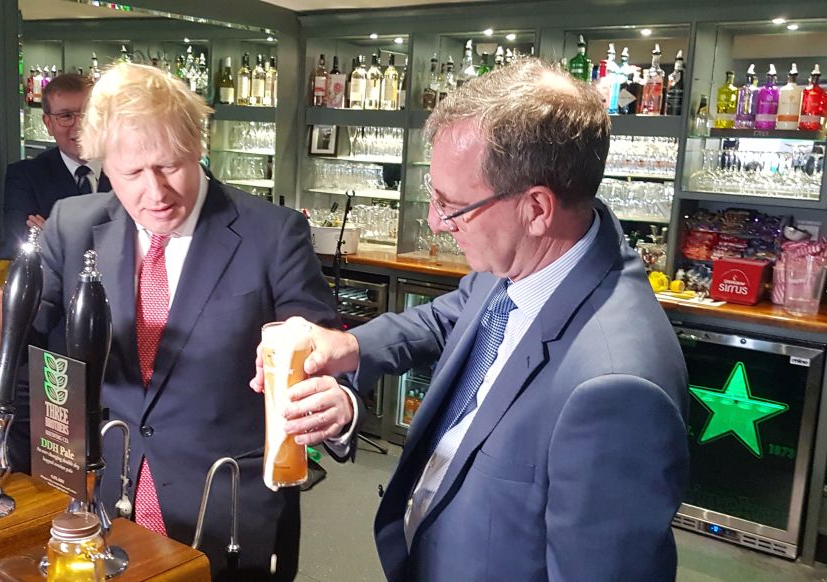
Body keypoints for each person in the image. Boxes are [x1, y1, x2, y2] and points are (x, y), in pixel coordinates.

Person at [255, 59, 690, 581]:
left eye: (452, 205)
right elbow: (447, 317)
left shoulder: (616, 389)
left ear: (536, 208)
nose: (437, 222)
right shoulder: (521, 262)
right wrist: (343, 346)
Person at [0, 63, 346, 581]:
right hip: (97, 500)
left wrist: (329, 396)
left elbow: (323, 354)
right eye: (132, 174)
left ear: (198, 146)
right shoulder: (73, 226)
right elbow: (15, 329)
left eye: (170, 166)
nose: (155, 192)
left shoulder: (272, 234)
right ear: (104, 166)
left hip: (223, 507)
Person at [0, 73, 111, 258]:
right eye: (66, 116)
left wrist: (54, 235)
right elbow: (21, 244)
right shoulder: (26, 176)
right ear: (48, 123)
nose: (79, 126)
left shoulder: (128, 170)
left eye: (88, 114)